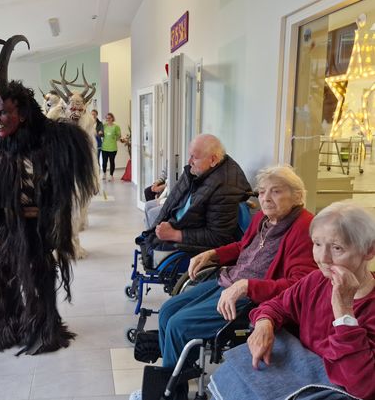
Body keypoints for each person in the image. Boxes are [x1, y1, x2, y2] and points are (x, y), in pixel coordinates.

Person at [0, 36, 96, 355]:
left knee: (38, 274)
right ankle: (3, 326)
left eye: (3, 114)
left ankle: (41, 327)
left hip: (37, 225)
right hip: (4, 225)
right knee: (1, 275)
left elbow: (75, 160)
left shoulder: (52, 137)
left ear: (22, 113)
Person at [130, 165, 318, 400]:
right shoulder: (263, 218)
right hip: (229, 280)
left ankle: (170, 393)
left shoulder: (304, 229)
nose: (266, 198)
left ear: (297, 195)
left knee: (179, 325)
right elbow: (244, 247)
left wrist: (248, 286)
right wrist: (212, 254)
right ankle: (172, 379)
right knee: (168, 310)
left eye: (276, 191)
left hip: (250, 298)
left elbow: (299, 285)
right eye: (262, 192)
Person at [209, 201, 375, 400]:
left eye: (337, 248)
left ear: (369, 251)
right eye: (317, 244)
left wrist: (344, 313)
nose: (323, 258)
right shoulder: (315, 281)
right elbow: (276, 305)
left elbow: (364, 387)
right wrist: (264, 323)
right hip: (302, 378)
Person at [138, 134, 251, 267]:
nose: (189, 161)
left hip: (192, 247)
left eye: (194, 157)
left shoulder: (225, 188)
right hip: (181, 226)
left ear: (213, 159)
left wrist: (174, 234)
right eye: (190, 155)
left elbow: (218, 237)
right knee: (148, 237)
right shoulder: (201, 170)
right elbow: (173, 201)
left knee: (152, 252)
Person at [101, 112, 121, 181]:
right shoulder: (104, 126)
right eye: (107, 118)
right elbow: (101, 133)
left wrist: (114, 138)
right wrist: (100, 133)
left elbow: (119, 136)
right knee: (104, 162)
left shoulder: (116, 127)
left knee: (112, 162)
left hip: (113, 148)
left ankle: (111, 175)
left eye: (109, 118)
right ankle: (104, 173)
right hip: (104, 147)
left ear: (112, 118)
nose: (108, 119)